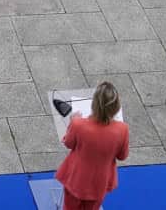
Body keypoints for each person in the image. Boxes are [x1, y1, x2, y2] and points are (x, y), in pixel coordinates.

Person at [55, 81, 130, 210]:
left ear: (94, 104)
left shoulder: (78, 124)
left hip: (76, 178)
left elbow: (69, 143)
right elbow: (122, 156)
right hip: (100, 181)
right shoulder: (122, 129)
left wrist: (72, 122)